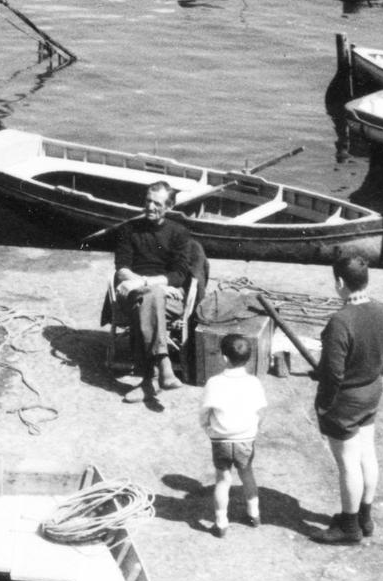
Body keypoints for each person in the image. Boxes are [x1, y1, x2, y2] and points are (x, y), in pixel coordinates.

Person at [311, 251, 383, 545]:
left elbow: (333, 373)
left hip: (345, 401)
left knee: (348, 463)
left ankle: (348, 526)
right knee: (367, 455)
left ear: (340, 282)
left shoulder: (340, 321)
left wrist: (324, 404)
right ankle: (364, 517)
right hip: (371, 392)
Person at [111, 180, 194, 399]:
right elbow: (122, 270)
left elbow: (179, 275)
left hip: (169, 298)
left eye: (157, 203)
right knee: (150, 297)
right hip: (135, 294)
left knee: (149, 300)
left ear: (169, 206)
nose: (150, 207)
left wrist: (147, 284)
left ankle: (148, 380)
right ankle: (163, 365)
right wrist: (153, 286)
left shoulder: (179, 233)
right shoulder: (128, 229)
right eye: (147, 201)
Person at [199, 333, 267, 537]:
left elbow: (204, 412)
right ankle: (254, 514)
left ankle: (220, 523)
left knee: (222, 480)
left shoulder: (214, 382)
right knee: (247, 474)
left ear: (224, 358)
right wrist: (253, 429)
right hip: (245, 439)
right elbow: (261, 411)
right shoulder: (254, 383)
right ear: (249, 358)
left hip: (220, 439)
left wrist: (208, 429)